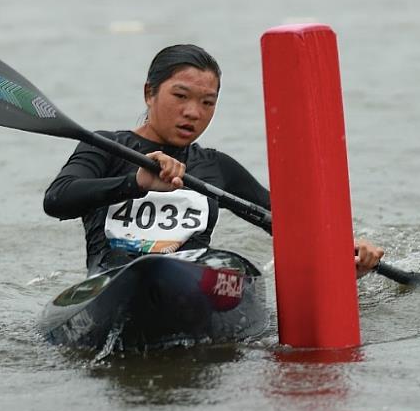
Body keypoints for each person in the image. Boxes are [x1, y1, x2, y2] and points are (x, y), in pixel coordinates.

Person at [43, 44, 384, 277]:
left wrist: (342, 255)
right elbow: (58, 200)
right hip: (112, 280)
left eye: (208, 102)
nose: (193, 112)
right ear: (149, 93)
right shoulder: (107, 147)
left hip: (192, 282)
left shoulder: (216, 167)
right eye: (180, 96)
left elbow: (287, 224)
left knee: (228, 265)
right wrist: (138, 182)